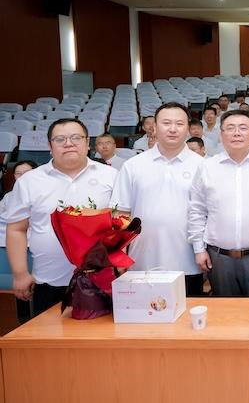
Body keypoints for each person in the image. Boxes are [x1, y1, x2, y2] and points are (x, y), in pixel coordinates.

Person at [5, 119, 116, 315]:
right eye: (60, 139)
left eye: (76, 138)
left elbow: (122, 226)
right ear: (50, 146)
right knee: (48, 334)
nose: (68, 143)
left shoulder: (111, 176)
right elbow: (16, 229)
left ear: (87, 142)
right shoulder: (30, 181)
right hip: (48, 281)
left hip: (102, 280)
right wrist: (20, 273)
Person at [111, 102, 206, 296]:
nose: (173, 129)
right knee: (142, 313)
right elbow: (120, 213)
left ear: (188, 128)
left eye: (179, 123)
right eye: (166, 123)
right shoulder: (133, 166)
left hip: (189, 261)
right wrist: (120, 254)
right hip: (141, 261)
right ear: (154, 127)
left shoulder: (203, 166)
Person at [188, 110, 249, 297]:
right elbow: (197, 210)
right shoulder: (207, 167)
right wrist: (198, 249)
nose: (237, 133)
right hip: (218, 258)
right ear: (221, 134)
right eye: (230, 128)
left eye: (243, 128)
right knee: (225, 310)